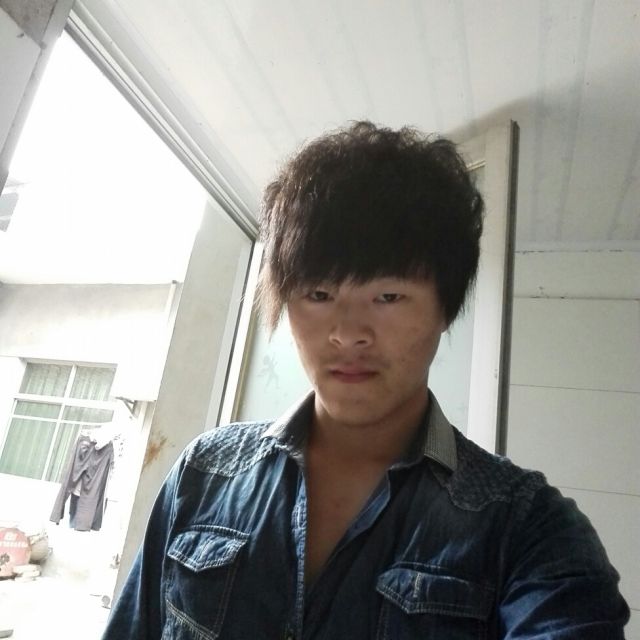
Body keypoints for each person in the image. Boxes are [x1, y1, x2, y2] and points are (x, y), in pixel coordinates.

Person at [103, 121, 629, 639]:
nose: (348, 334)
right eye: (319, 295)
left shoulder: (524, 526)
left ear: (445, 309)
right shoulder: (204, 473)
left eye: (388, 297)